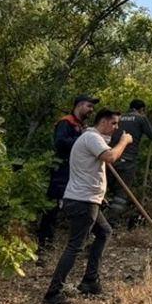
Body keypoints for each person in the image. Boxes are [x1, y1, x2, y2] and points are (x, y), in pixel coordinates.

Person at [43, 109, 132, 304]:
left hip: (87, 200)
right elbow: (110, 157)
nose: (116, 128)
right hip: (83, 201)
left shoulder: (91, 139)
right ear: (104, 122)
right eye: (115, 123)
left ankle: (90, 281)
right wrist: (124, 141)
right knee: (75, 246)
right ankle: (53, 293)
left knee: (104, 232)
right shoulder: (92, 137)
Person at [36, 95, 98, 256]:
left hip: (76, 171)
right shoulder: (66, 122)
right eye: (89, 106)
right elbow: (60, 142)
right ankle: (44, 245)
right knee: (52, 208)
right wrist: (82, 140)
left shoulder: (82, 126)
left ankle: (81, 242)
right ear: (79, 105)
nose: (91, 110)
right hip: (61, 172)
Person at [106, 99, 152, 226]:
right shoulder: (141, 118)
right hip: (128, 161)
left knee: (106, 190)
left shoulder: (119, 118)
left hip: (111, 158)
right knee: (121, 195)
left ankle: (99, 219)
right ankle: (110, 222)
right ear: (142, 109)